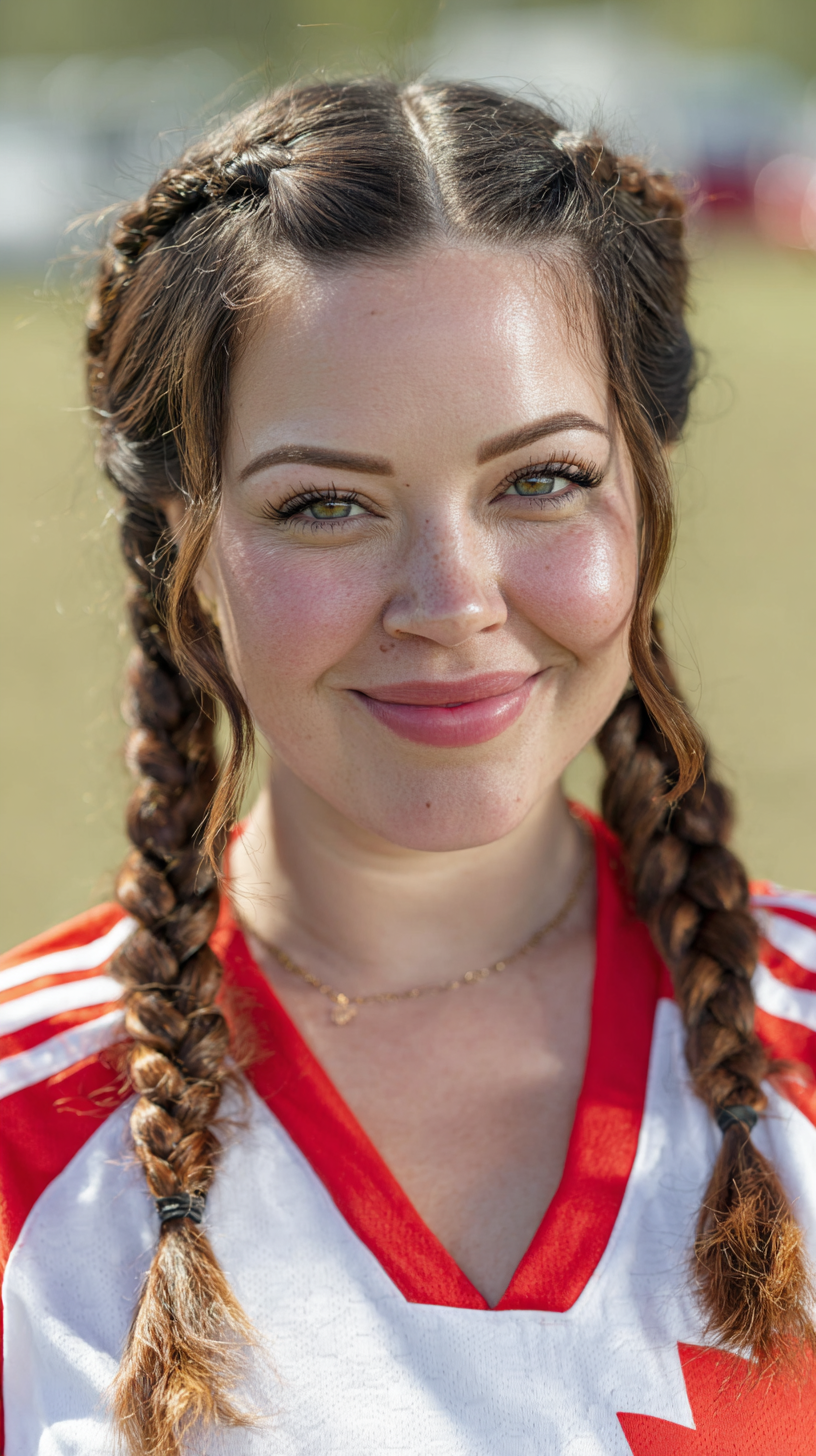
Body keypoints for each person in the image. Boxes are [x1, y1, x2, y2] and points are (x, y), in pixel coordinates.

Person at [1, 77, 815, 1456]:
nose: (451, 598)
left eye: (542, 480)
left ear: (646, 493)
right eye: (326, 505)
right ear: (182, 552)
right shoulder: (27, 1137)